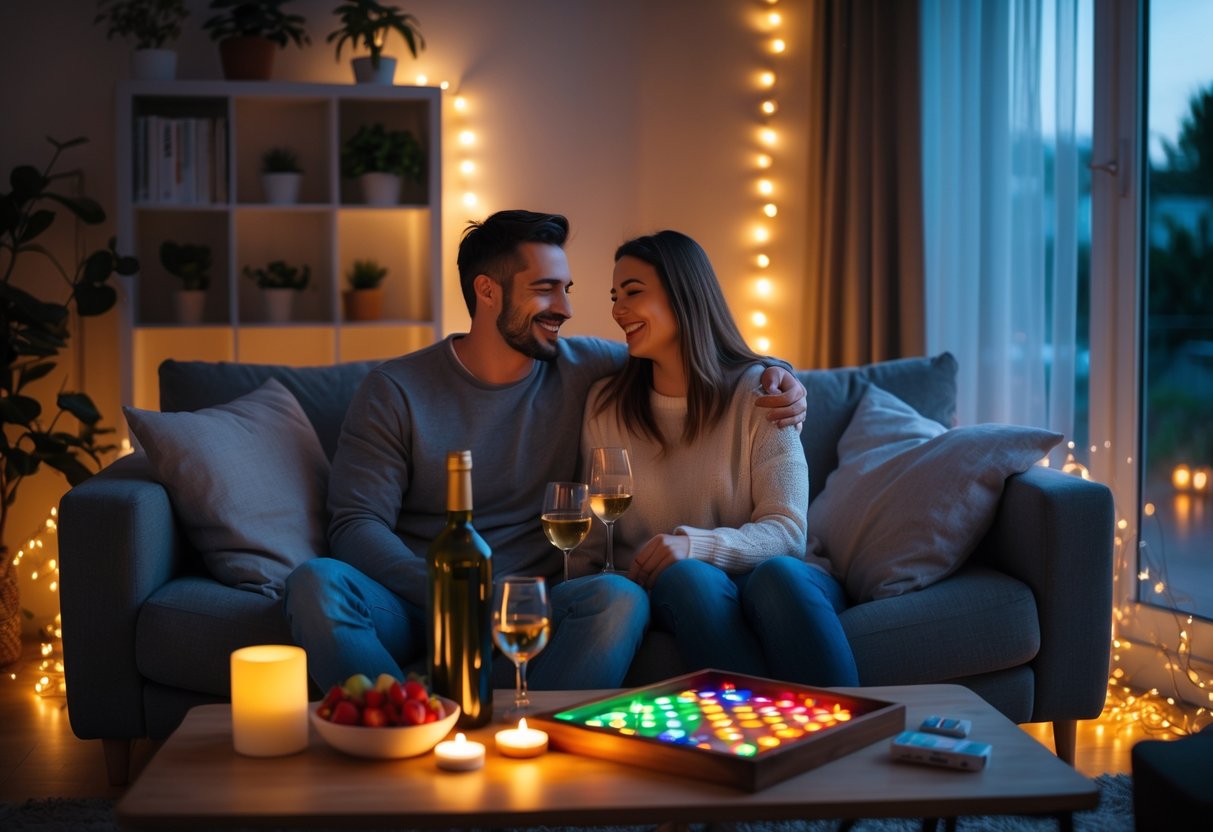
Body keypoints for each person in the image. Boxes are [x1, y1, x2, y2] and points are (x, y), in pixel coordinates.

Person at [284, 210, 808, 692]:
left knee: (619, 598)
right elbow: (355, 524)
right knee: (315, 582)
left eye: (567, 289)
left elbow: (694, 352)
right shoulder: (395, 390)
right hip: (417, 600)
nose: (566, 308)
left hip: (537, 604)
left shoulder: (582, 367)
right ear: (487, 291)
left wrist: (777, 374)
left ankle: (530, 736)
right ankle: (397, 724)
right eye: (545, 289)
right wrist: (453, 592)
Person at [581, 229, 859, 686]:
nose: (617, 310)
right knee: (689, 578)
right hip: (676, 590)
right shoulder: (605, 407)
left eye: (632, 292)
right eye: (615, 297)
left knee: (779, 575)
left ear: (683, 294)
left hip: (775, 579)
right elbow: (593, 544)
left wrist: (695, 545)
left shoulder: (762, 393)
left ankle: (853, 726)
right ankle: (759, 730)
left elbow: (789, 533)